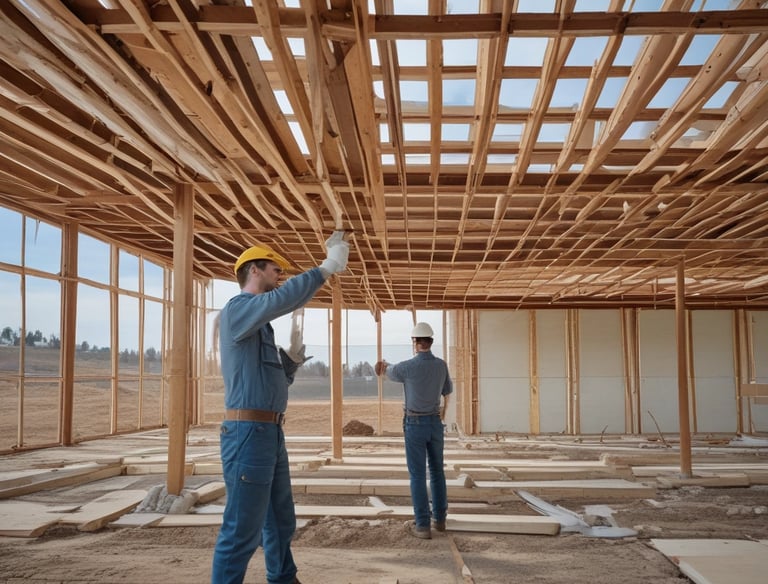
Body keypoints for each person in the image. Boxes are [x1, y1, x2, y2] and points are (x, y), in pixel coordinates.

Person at [211, 231, 350, 584]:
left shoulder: (260, 327)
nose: (280, 275)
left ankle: (283, 578)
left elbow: (268, 384)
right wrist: (326, 268)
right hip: (248, 433)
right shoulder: (237, 309)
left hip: (268, 432)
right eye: (275, 268)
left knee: (279, 518)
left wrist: (289, 365)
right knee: (241, 528)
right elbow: (282, 300)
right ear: (254, 270)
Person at [374, 322, 453, 539]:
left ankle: (422, 525)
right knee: (437, 471)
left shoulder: (406, 367)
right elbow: (447, 391)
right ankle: (440, 520)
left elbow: (387, 371)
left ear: (415, 342)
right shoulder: (441, 366)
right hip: (435, 423)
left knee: (417, 475)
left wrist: (383, 365)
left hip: (415, 424)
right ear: (431, 341)